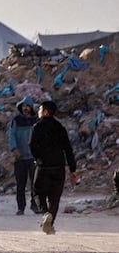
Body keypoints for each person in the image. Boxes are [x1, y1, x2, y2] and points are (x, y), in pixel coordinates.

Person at [29, 100, 77, 235]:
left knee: (38, 192)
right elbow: (68, 149)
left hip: (43, 166)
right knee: (54, 198)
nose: (38, 112)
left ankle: (45, 214)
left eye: (40, 109)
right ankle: (50, 224)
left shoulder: (37, 127)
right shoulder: (60, 127)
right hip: (59, 167)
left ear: (45, 111)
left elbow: (32, 146)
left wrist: (37, 158)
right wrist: (72, 169)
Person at [8, 98, 38, 215]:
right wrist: (14, 148)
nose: (25, 108)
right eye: (24, 106)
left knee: (35, 183)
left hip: (33, 157)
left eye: (27, 106)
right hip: (20, 157)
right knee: (21, 184)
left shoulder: (36, 121)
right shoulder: (16, 120)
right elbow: (11, 135)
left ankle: (35, 205)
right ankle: (21, 207)